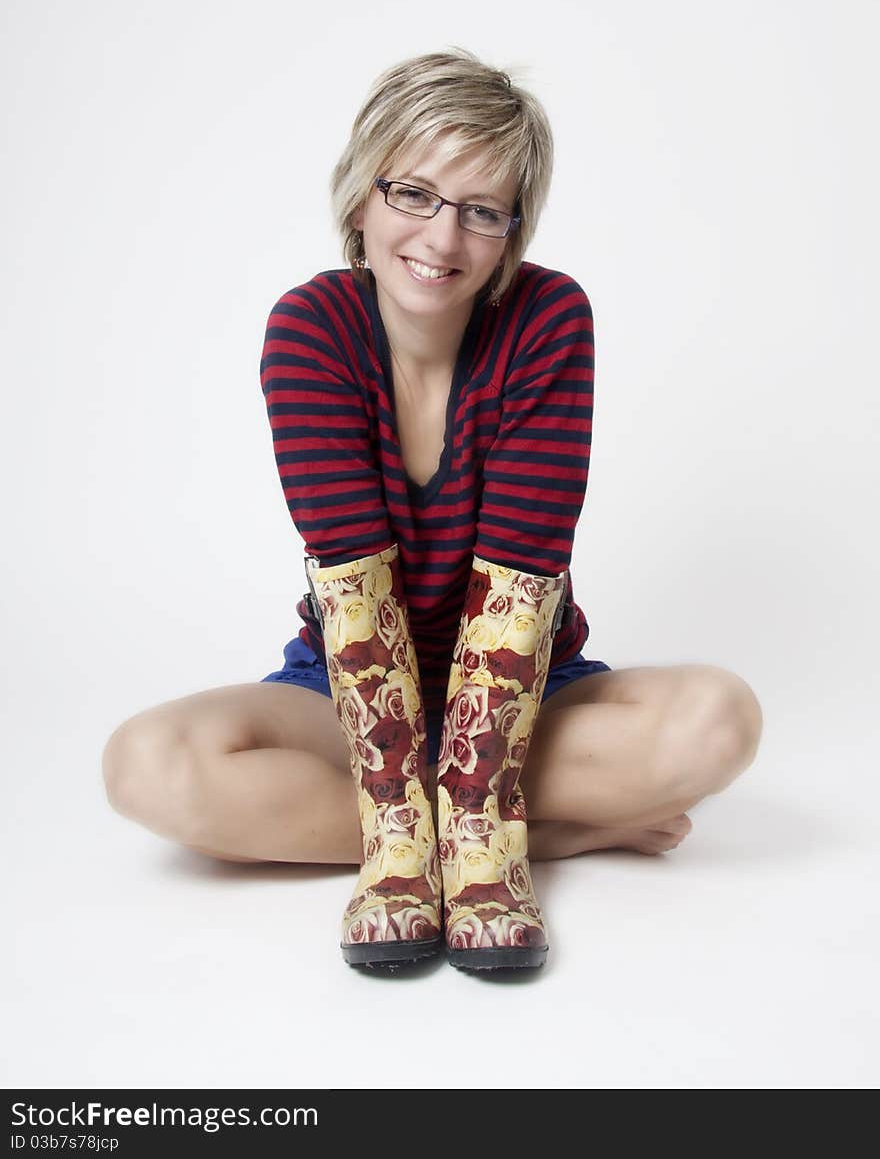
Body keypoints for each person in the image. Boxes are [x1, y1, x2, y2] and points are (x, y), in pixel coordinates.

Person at [102, 47, 763, 973]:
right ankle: (523, 837)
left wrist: (487, 796)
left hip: (527, 685)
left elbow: (523, 582)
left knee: (718, 720)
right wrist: (419, 825)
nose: (441, 240)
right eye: (413, 193)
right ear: (361, 198)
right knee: (146, 765)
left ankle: (474, 826)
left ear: (512, 233)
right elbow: (355, 593)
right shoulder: (311, 329)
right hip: (354, 689)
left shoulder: (548, 319)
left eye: (481, 212)